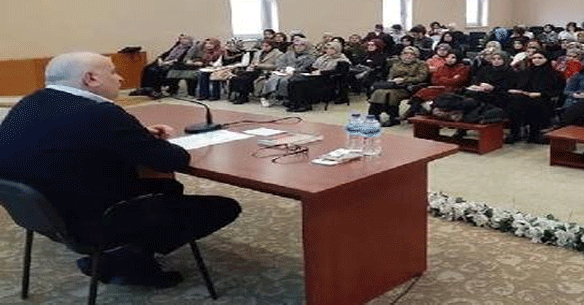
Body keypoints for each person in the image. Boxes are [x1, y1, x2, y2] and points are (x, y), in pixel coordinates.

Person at [0, 52, 240, 287]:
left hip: (42, 214)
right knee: (223, 206)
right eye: (113, 72)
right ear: (91, 78)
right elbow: (172, 160)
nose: (120, 78)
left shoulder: (29, 104)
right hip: (93, 221)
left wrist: (136, 136)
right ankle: (122, 259)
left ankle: (130, 253)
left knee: (166, 186)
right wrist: (151, 142)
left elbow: (67, 138)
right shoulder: (101, 114)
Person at [505, 51, 565, 143]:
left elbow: (558, 91)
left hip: (544, 99)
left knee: (535, 103)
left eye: (540, 58)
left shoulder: (555, 74)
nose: (536, 60)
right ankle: (515, 133)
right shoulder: (525, 72)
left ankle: (534, 134)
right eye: (534, 58)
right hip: (524, 96)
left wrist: (541, 94)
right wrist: (518, 91)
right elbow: (518, 85)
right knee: (515, 101)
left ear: (546, 59)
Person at [367, 46, 429, 126]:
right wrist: (392, 80)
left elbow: (421, 77)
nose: (408, 56)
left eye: (411, 54)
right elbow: (390, 75)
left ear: (416, 56)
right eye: (406, 54)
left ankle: (394, 118)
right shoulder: (397, 63)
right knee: (378, 92)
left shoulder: (421, 64)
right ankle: (373, 116)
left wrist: (404, 80)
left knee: (391, 94)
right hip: (394, 85)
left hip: (409, 86)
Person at [403, 50, 471, 119]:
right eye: (448, 57)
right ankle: (413, 112)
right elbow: (434, 80)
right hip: (438, 87)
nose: (449, 59)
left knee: (438, 95)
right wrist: (449, 79)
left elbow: (458, 81)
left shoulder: (463, 68)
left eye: (453, 58)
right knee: (421, 92)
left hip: (453, 89)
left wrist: (442, 79)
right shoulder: (441, 68)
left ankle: (414, 113)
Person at [286, 41, 351, 112]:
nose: (328, 50)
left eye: (332, 49)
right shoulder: (322, 58)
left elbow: (339, 72)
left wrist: (321, 72)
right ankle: (294, 102)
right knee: (294, 80)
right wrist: (312, 70)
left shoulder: (342, 60)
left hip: (329, 81)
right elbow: (313, 67)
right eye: (327, 48)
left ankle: (304, 105)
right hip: (316, 77)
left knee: (300, 83)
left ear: (337, 49)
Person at [257, 38, 316, 107]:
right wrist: (283, 69)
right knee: (273, 78)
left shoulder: (310, 56)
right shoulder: (288, 54)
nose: (298, 47)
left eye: (302, 45)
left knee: (284, 80)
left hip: (298, 73)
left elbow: (306, 67)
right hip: (284, 71)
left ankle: (285, 97)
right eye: (296, 45)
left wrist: (294, 70)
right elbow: (280, 62)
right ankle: (266, 95)